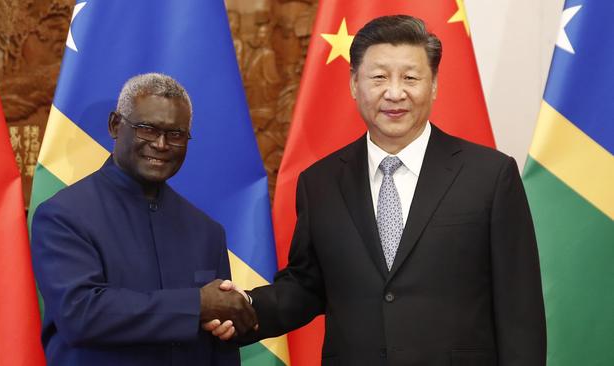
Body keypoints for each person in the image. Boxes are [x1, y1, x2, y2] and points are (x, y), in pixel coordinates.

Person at [205, 15, 546, 365]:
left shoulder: (490, 175)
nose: (395, 92)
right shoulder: (320, 183)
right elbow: (306, 286)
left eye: (411, 78)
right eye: (379, 77)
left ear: (433, 85)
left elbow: (520, 309)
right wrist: (246, 308)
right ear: (355, 84)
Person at [31, 73, 257, 366]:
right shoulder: (64, 216)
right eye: (147, 129)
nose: (161, 144)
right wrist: (197, 304)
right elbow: (81, 313)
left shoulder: (207, 231)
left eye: (175, 134)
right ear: (115, 125)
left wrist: (228, 319)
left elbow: (220, 346)